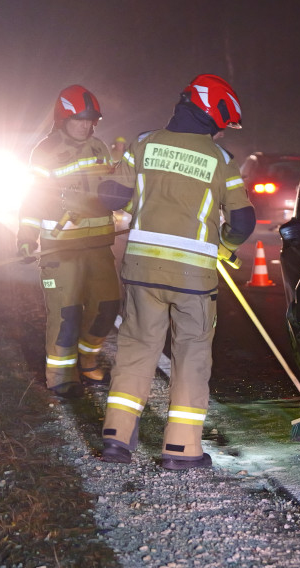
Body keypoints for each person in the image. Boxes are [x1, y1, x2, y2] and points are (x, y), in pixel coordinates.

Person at [95, 74, 255, 469]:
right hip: (194, 279)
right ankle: (181, 450)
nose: (220, 133)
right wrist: (225, 246)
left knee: (135, 350)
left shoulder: (143, 143)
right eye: (221, 125)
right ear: (211, 115)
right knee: (192, 357)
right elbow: (243, 221)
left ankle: (116, 439)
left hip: (141, 271)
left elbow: (110, 197)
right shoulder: (221, 160)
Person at [18, 85, 122, 399]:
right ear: (64, 119)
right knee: (67, 314)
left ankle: (87, 361)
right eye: (79, 119)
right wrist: (26, 237)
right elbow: (34, 197)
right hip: (61, 250)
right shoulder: (46, 150)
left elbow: (111, 189)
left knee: (107, 307)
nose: (85, 125)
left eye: (91, 120)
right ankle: (61, 376)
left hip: (99, 246)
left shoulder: (100, 147)